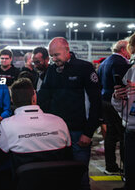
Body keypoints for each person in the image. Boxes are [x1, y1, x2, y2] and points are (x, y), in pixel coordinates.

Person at [38, 37, 102, 190]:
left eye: (57, 55)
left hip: (78, 133)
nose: (54, 59)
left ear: (67, 50)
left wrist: (88, 132)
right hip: (56, 133)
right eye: (51, 56)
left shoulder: (84, 68)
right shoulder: (52, 70)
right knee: (59, 177)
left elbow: (96, 103)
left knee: (80, 178)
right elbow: (44, 97)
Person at [0, 78, 72, 169]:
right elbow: (68, 154)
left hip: (24, 181)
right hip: (57, 179)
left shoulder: (6, 125)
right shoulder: (59, 121)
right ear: (34, 97)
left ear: (12, 100)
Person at [98, 39, 131, 175]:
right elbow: (123, 84)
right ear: (123, 49)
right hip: (116, 102)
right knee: (123, 135)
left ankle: (110, 166)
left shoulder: (105, 62)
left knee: (111, 135)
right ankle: (127, 168)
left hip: (105, 100)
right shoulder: (120, 62)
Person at [112, 32, 135, 190]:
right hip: (131, 128)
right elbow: (122, 105)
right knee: (130, 167)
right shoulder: (132, 70)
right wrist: (117, 97)